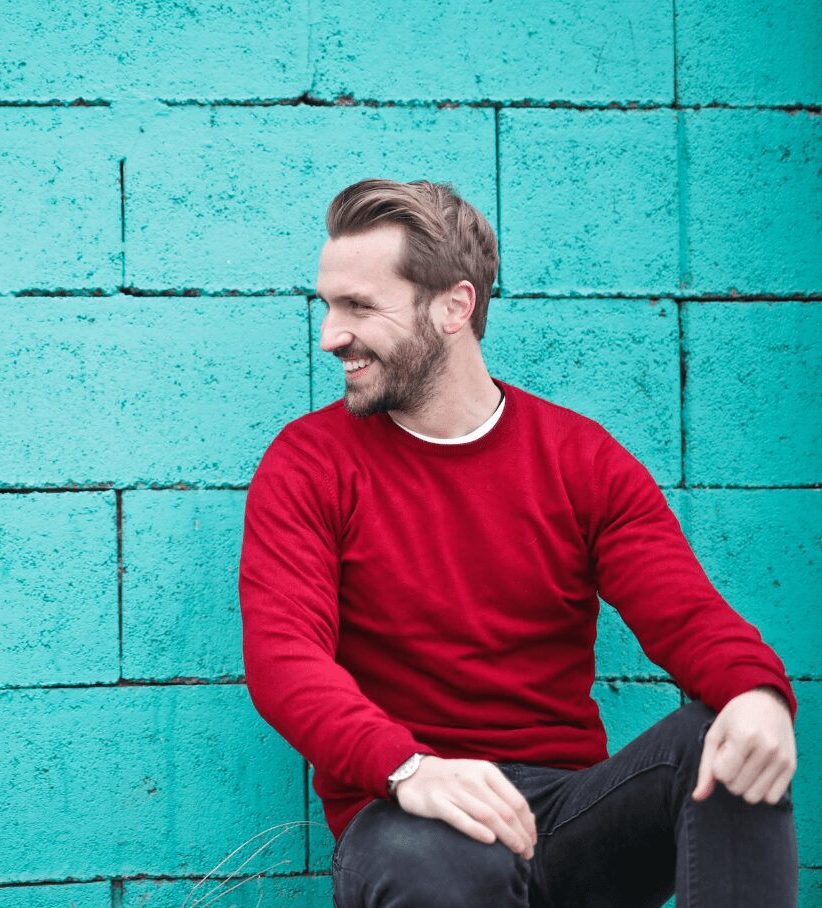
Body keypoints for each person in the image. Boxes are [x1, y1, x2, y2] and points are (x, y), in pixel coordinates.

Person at [237, 178, 798, 906]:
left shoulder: (580, 459)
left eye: (359, 307)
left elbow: (686, 613)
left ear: (454, 307)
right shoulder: (310, 463)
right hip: (410, 817)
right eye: (329, 306)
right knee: (426, 860)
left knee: (726, 740)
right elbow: (285, 659)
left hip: (568, 819)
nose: (330, 334)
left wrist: (757, 694)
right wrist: (409, 769)